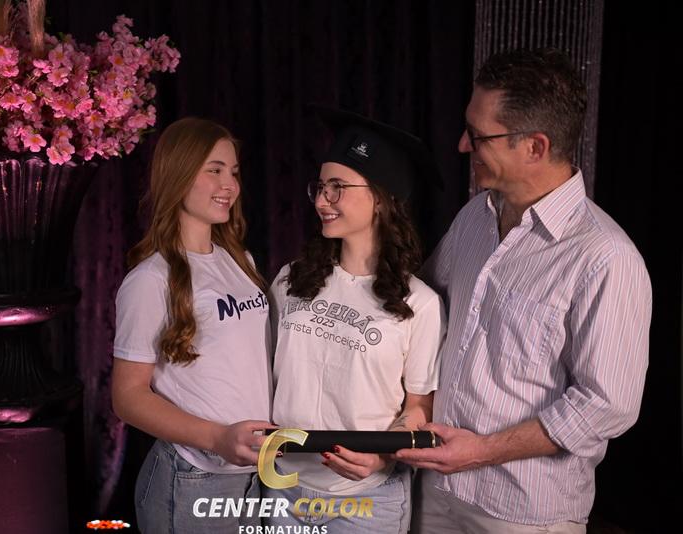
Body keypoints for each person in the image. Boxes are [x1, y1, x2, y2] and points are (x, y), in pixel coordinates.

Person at [395, 48, 652, 533]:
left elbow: (607, 405)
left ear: (535, 147)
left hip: (523, 513)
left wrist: (482, 451)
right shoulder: (474, 217)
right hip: (437, 489)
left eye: (477, 135)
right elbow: (421, 307)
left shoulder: (605, 257)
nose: (462, 146)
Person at [263, 106, 446, 534]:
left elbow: (418, 407)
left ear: (380, 198)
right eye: (320, 187)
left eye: (338, 188)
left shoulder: (420, 303)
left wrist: (382, 455)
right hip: (284, 487)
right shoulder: (291, 280)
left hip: (366, 501)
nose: (321, 200)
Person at [111, 117, 274, 533]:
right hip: (192, 477)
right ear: (179, 174)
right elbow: (127, 397)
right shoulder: (151, 280)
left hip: (252, 477)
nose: (230, 185)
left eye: (234, 172)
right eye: (214, 170)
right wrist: (217, 438)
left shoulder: (241, 262)